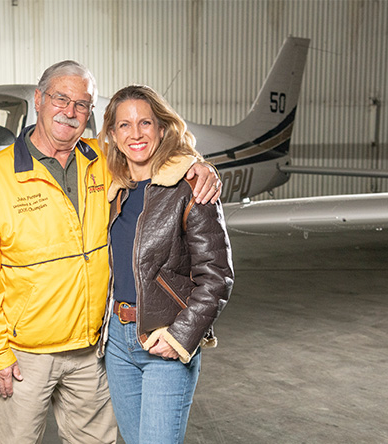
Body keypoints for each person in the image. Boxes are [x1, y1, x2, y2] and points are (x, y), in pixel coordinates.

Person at [0, 61, 222, 444]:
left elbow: (155, 153)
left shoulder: (102, 163)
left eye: (82, 104)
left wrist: (200, 167)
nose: (70, 111)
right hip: (26, 356)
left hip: (93, 353)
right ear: (39, 99)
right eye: (61, 98)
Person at [96, 85, 234, 444]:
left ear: (161, 128)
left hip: (164, 339)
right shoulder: (113, 189)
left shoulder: (191, 187)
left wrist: (181, 336)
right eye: (124, 125)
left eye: (145, 122)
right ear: (112, 134)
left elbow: (217, 277)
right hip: (118, 343)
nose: (136, 133)